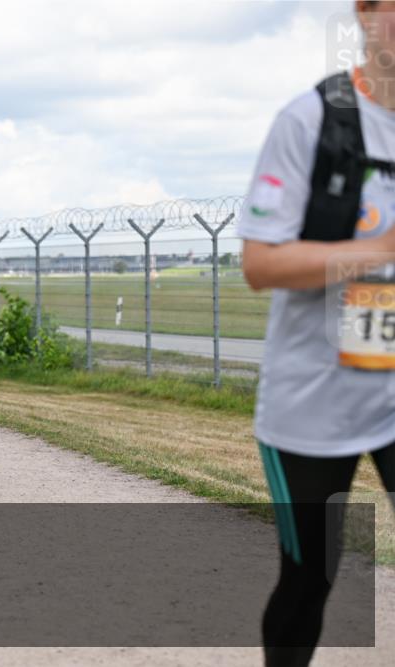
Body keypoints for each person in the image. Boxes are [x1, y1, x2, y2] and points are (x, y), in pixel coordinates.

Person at [238, 3, 394, 665]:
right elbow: (261, 263)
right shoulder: (312, 119)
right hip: (312, 408)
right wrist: (379, 249)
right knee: (310, 580)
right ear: (366, 11)